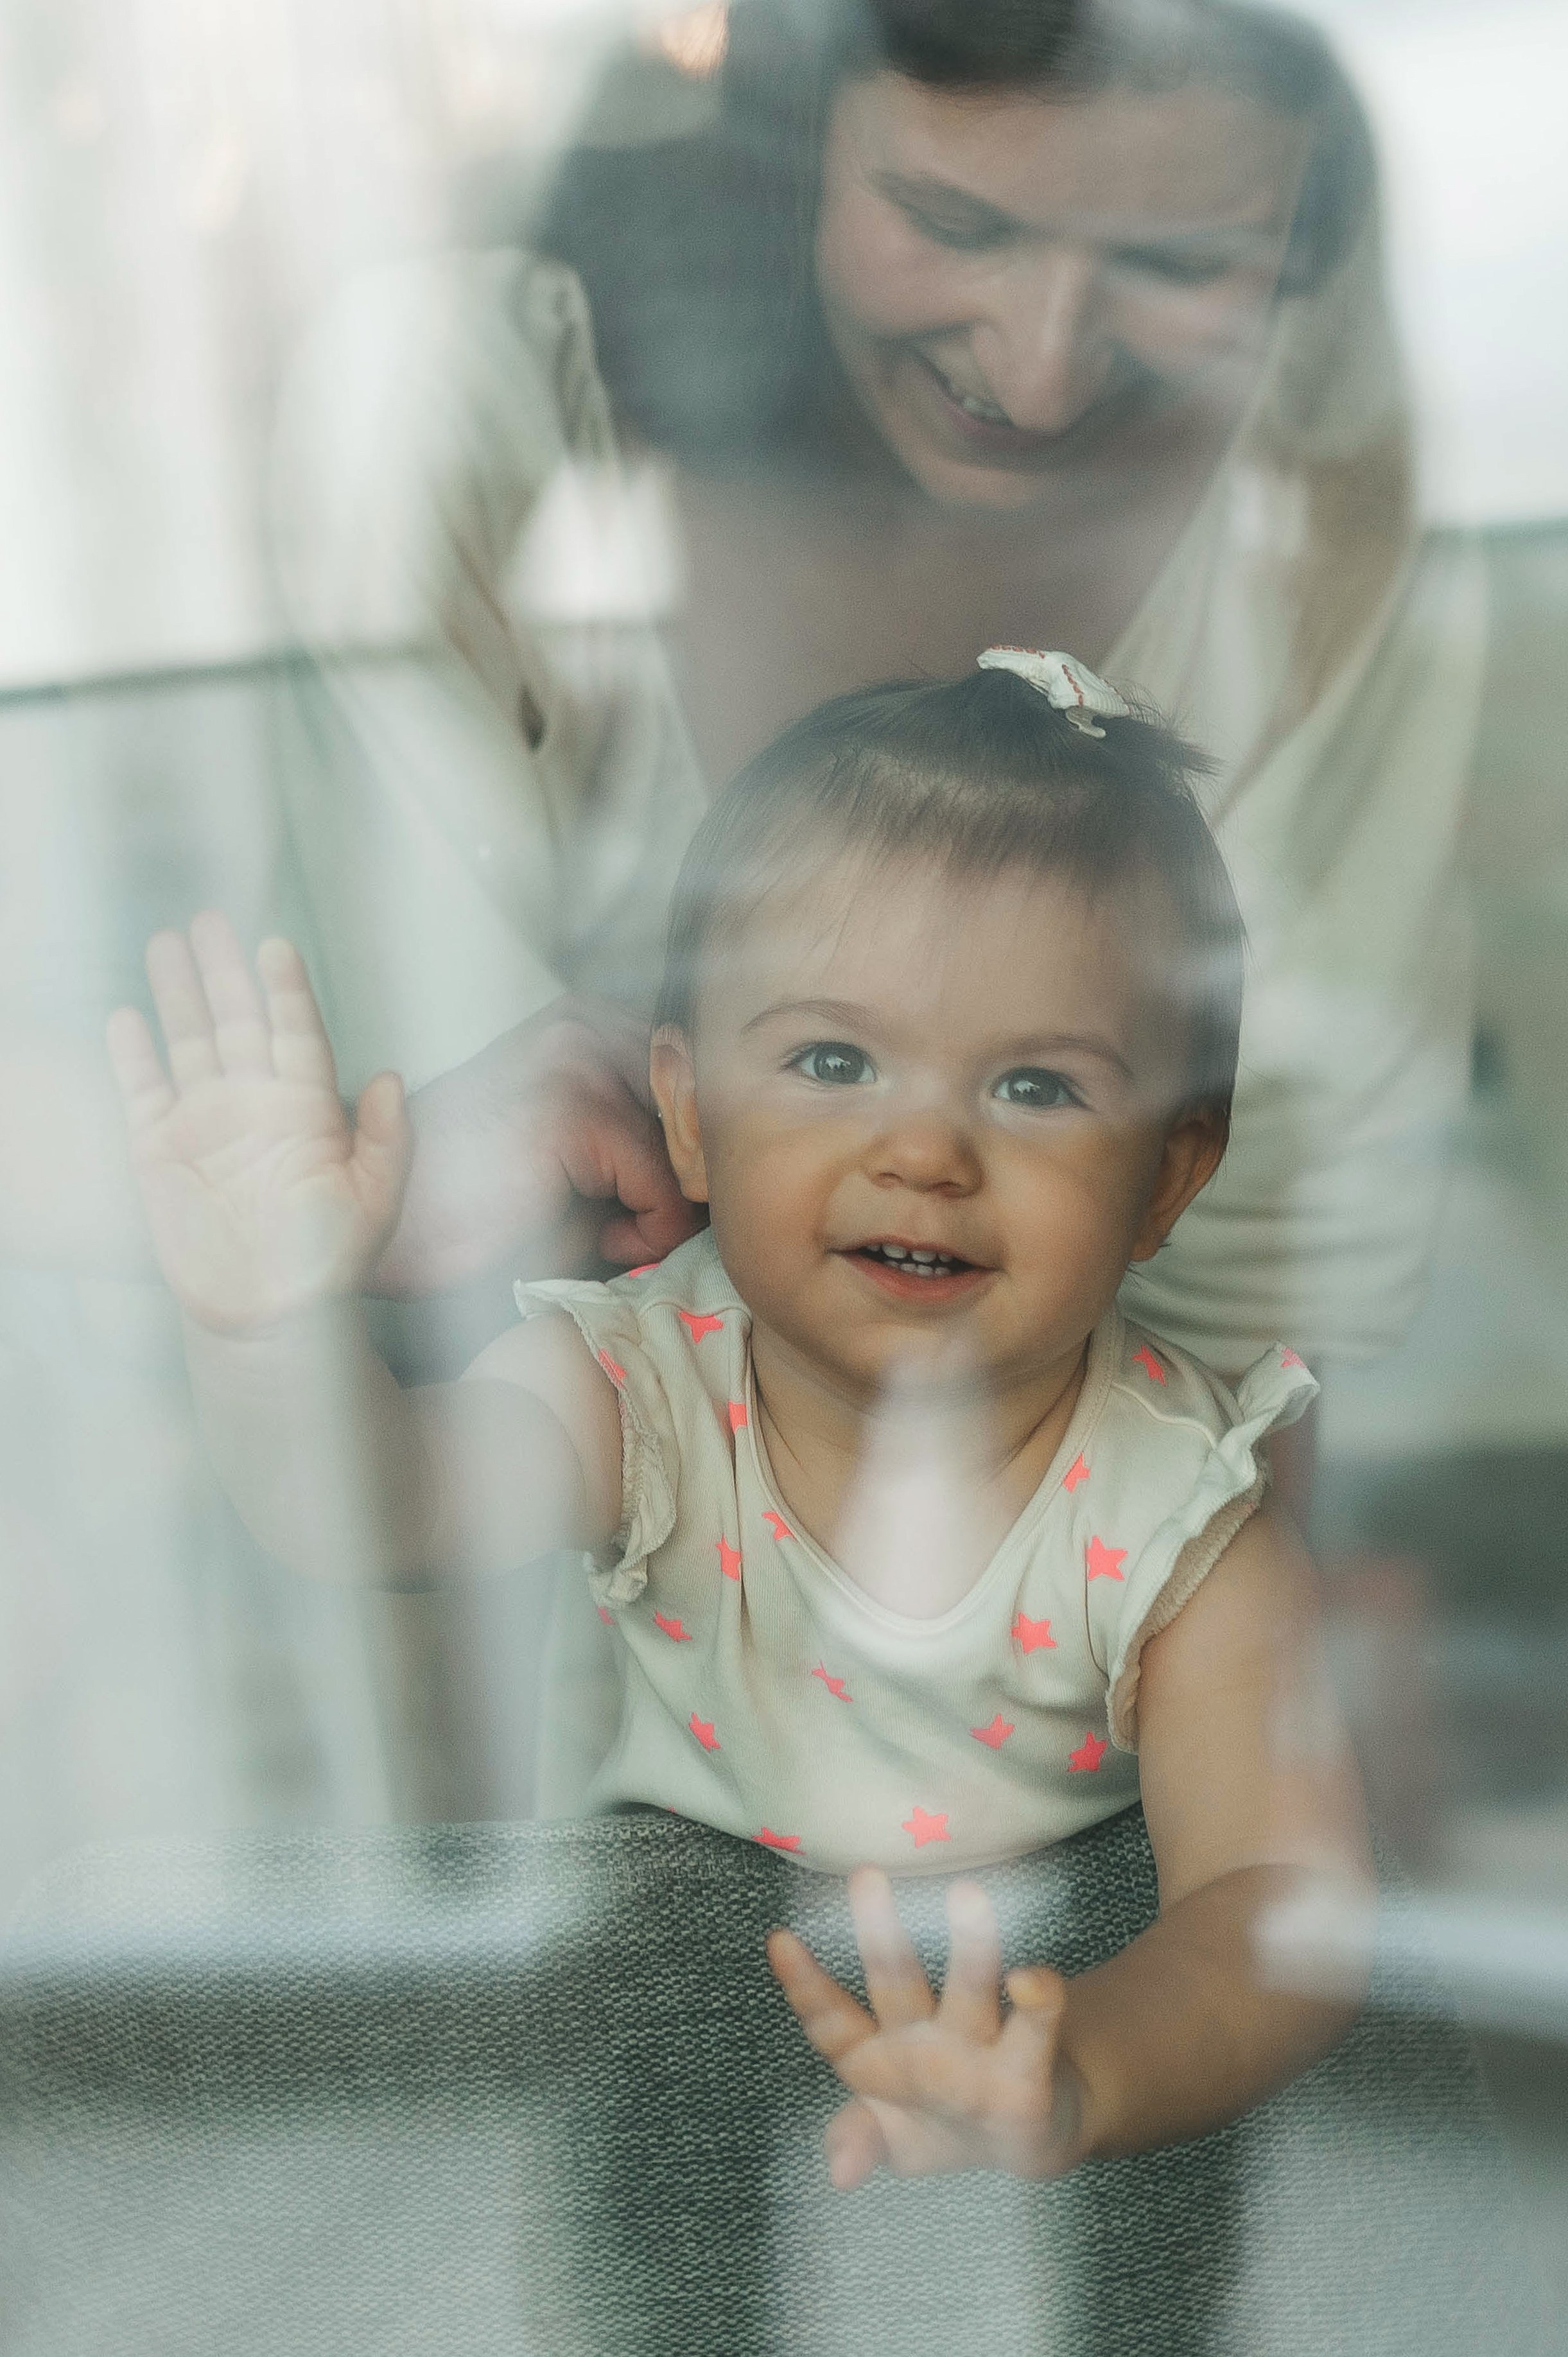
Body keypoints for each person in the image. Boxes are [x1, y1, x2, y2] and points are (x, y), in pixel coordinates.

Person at [107, 652, 1370, 2186]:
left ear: (1171, 1175)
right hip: (676, 1979)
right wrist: (262, 1328)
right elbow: (383, 1509)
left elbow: (1277, 1905)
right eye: (833, 1061)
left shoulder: (1176, 1522)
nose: (922, 1150)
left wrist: (1081, 2069)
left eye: (1035, 1087)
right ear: (690, 1112)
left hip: (1072, 2000)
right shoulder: (649, 1384)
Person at [266, 0, 1481, 1418]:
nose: (1040, 375)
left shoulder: (1308, 476)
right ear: (789, 144)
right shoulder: (445, 421)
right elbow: (390, 1227)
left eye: (1176, 262)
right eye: (951, 222)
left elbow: (1282, 1293)